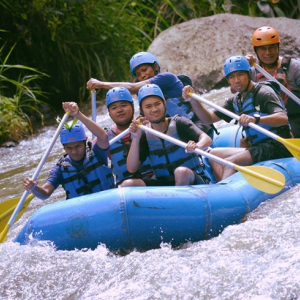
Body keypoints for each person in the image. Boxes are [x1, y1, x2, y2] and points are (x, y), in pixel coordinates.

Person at [182, 55, 292, 181]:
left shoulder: (264, 92)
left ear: (249, 74)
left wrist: (256, 119)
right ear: (228, 81)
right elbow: (208, 118)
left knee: (230, 162)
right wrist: (193, 100)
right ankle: (224, 186)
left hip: (277, 146)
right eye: (231, 77)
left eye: (240, 74)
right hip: (256, 147)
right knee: (213, 154)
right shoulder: (236, 100)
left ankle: (224, 192)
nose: (237, 80)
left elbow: (283, 118)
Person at [86, 51, 213, 136]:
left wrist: (102, 84)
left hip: (197, 125)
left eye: (144, 70)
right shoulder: (144, 94)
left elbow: (133, 87)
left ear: (155, 67)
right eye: (138, 74)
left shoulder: (166, 78)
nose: (142, 75)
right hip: (176, 132)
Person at [124, 83, 212, 187]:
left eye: (157, 104)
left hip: (194, 181)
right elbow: (131, 168)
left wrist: (197, 146)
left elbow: (206, 139)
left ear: (164, 103)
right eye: (148, 106)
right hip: (165, 186)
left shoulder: (179, 123)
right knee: (128, 184)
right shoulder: (144, 134)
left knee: (181, 172)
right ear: (142, 111)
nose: (154, 109)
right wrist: (136, 137)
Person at [23, 102, 114, 200]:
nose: (74, 151)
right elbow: (45, 194)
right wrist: (34, 188)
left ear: (85, 141)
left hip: (106, 203)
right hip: (82, 212)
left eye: (77, 146)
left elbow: (103, 136)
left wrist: (78, 115)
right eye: (69, 148)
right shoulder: (60, 169)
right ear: (64, 147)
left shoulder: (97, 152)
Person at [246, 26, 300, 138]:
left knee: (284, 135)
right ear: (256, 50)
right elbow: (234, 89)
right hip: (267, 121)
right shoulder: (251, 72)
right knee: (245, 141)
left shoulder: (294, 67)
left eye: (272, 47)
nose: (268, 52)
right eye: (262, 49)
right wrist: (242, 66)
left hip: (295, 119)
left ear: (278, 47)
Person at [103, 86, 154, 187]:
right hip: (125, 191)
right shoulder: (104, 139)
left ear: (133, 107)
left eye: (123, 105)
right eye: (114, 108)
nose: (119, 110)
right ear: (109, 113)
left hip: (154, 182)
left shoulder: (148, 126)